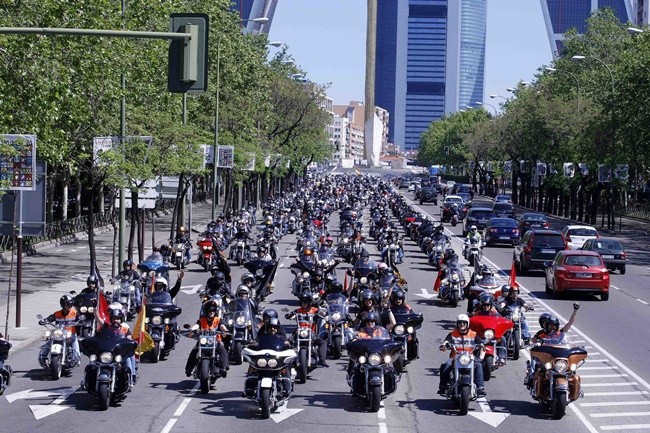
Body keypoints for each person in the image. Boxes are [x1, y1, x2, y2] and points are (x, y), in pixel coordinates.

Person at [526, 304, 580, 387]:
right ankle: (532, 377)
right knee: (536, 362)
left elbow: (570, 322)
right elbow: (532, 340)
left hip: (559, 356)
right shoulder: (541, 333)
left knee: (571, 368)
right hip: (547, 356)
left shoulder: (561, 333)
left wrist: (575, 311)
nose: (552, 328)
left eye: (554, 326)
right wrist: (530, 343)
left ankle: (573, 386)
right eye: (550, 326)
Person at [438, 314, 486, 396]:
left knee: (478, 365)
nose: (462, 324)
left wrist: (482, 345)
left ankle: (480, 387)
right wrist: (444, 345)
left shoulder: (473, 334)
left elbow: (480, 342)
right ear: (457, 324)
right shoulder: (452, 334)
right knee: (446, 365)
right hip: (455, 357)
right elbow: (446, 341)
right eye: (460, 323)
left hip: (469, 357)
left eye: (464, 323)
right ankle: (443, 386)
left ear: (467, 324)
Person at [184, 300, 230, 378]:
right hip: (203, 341)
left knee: (223, 350)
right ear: (206, 311)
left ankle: (223, 368)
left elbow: (222, 326)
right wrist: (191, 329)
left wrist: (225, 330)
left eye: (213, 310)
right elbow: (197, 325)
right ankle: (188, 369)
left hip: (215, 341)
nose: (212, 312)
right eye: (210, 310)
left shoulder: (218, 320)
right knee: (194, 350)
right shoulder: (202, 320)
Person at [95, 306, 137, 385]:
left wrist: (130, 342)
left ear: (121, 319)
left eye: (117, 319)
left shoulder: (125, 329)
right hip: (109, 352)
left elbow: (130, 339)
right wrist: (95, 309)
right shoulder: (107, 327)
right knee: (93, 360)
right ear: (111, 319)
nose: (115, 321)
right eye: (114, 318)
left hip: (120, 354)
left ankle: (131, 379)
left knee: (128, 359)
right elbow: (98, 319)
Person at [285, 293, 329, 367]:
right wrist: (289, 315)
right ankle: (285, 361)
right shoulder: (298, 310)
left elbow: (324, 313)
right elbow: (290, 314)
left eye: (306, 302)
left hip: (311, 332)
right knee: (287, 342)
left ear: (309, 303)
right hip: (299, 332)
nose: (304, 304)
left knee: (323, 342)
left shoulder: (315, 310)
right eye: (302, 302)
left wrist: (322, 313)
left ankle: (322, 360)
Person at [38, 294, 81, 367]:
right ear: (63, 305)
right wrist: (44, 321)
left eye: (71, 305)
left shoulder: (74, 313)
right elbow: (50, 318)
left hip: (70, 334)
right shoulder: (57, 313)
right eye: (68, 304)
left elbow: (80, 318)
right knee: (49, 343)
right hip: (59, 334)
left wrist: (81, 321)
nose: (70, 306)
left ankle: (77, 358)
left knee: (75, 344)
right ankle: (43, 356)